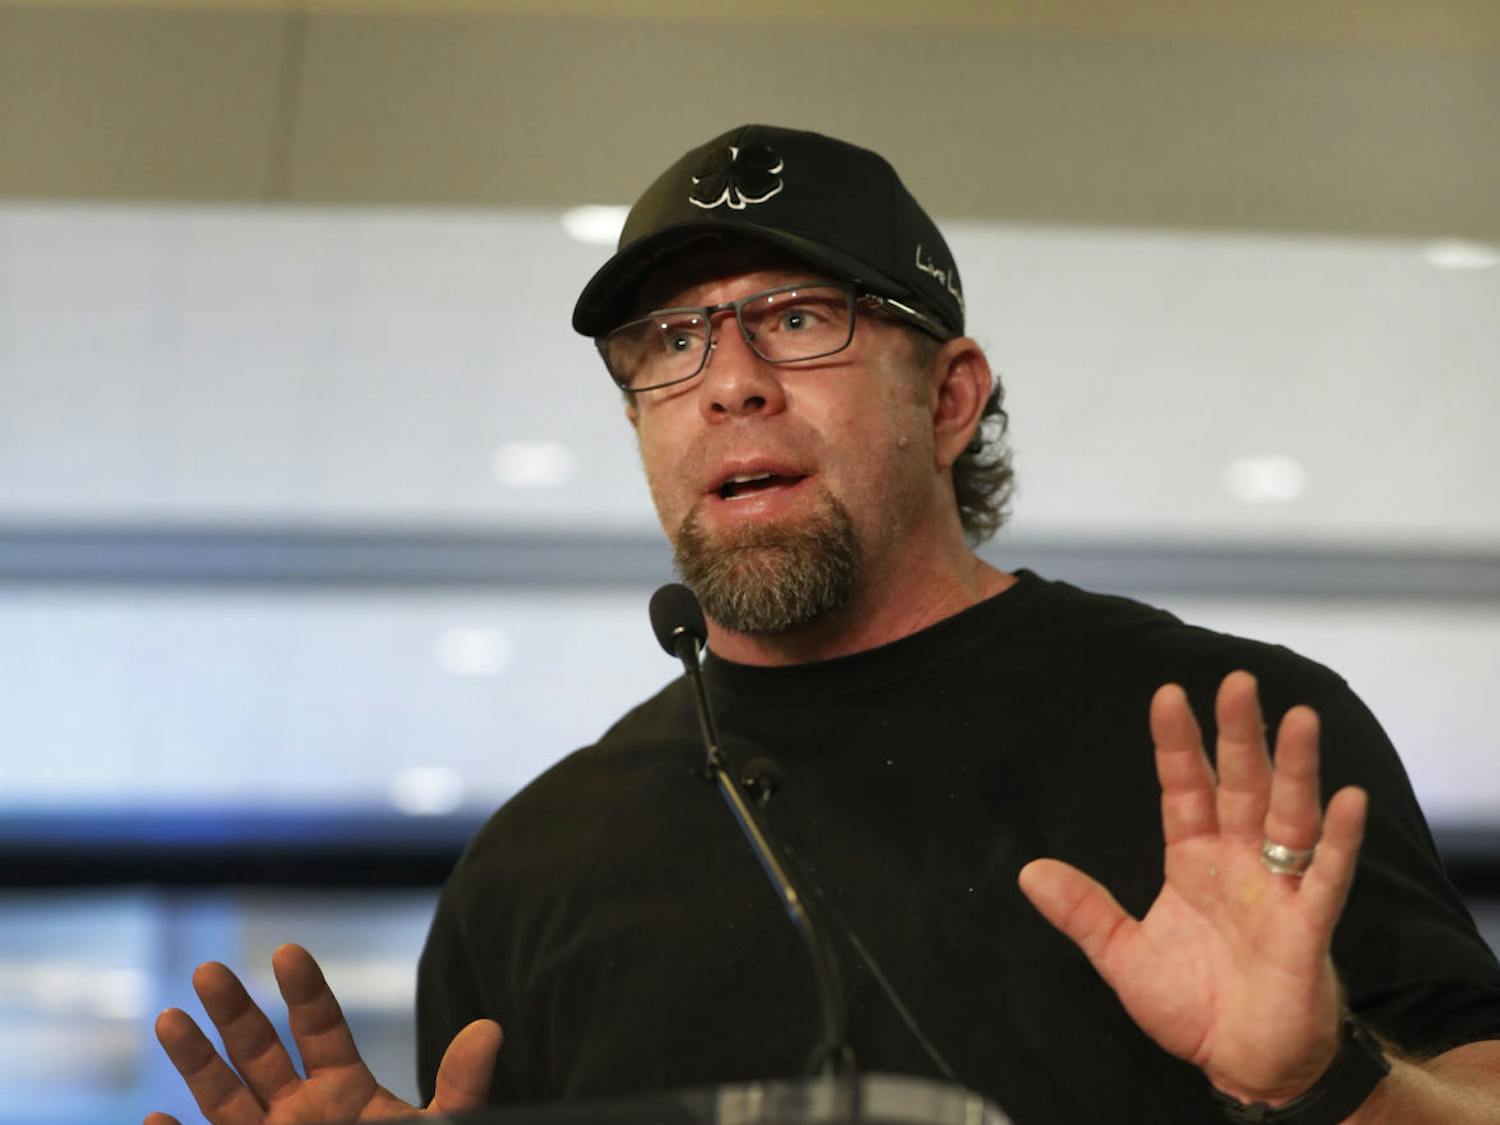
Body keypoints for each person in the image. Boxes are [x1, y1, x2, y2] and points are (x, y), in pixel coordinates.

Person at [148, 125, 1500, 1125]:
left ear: (951, 396)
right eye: (671, 343)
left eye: (798, 319)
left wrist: (1327, 1075)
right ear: (638, 423)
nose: (727, 381)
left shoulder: (1228, 739)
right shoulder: (533, 869)